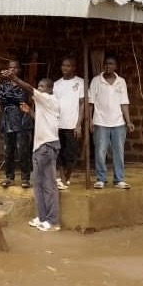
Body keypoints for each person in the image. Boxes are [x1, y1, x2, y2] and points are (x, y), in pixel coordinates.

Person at [1, 70, 61, 231]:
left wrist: (13, 78)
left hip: (46, 147)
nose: (38, 89)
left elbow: (28, 88)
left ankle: (52, 221)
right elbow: (41, 120)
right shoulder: (45, 104)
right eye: (39, 86)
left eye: (42, 87)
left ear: (49, 90)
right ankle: (42, 217)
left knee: (48, 185)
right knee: (39, 184)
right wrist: (30, 112)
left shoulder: (48, 98)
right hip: (41, 147)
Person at [88, 55, 135, 190]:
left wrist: (128, 121)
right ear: (103, 65)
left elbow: (124, 103)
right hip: (100, 121)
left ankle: (119, 179)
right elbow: (90, 102)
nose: (108, 66)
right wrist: (90, 119)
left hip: (118, 122)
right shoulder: (96, 81)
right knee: (100, 151)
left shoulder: (121, 81)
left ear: (116, 66)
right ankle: (101, 179)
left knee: (118, 152)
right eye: (106, 64)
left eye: (111, 64)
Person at [0, 60, 32, 189]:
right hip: (7, 120)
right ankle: (9, 177)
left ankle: (25, 177)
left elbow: (21, 98)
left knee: (23, 150)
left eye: (15, 68)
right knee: (8, 150)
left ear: (19, 70)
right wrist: (11, 98)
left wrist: (10, 98)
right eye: (10, 68)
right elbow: (0, 98)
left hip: (21, 120)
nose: (12, 70)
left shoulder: (24, 86)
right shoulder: (2, 85)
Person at [53, 57, 85, 190]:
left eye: (68, 66)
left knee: (71, 153)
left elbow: (83, 104)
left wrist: (79, 125)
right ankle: (61, 178)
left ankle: (67, 176)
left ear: (74, 68)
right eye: (63, 65)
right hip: (58, 124)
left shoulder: (80, 82)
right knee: (58, 153)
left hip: (72, 125)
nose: (64, 68)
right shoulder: (56, 84)